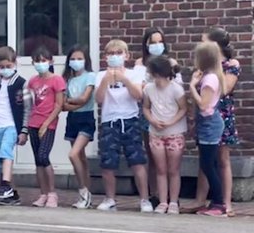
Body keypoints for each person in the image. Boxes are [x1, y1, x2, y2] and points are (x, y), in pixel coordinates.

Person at [94, 39, 152, 213]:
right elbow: (99, 99)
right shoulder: (100, 75)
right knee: (108, 162)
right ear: (105, 57)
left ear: (126, 56)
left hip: (130, 120)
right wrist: (106, 81)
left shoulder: (134, 74)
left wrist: (124, 80)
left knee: (137, 161)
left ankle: (144, 199)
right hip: (109, 121)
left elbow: (138, 96)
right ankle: (110, 198)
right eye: (111, 53)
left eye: (119, 53)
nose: (115, 56)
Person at [192, 28, 240, 214]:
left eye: (204, 41)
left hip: (221, 113)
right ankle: (200, 200)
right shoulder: (205, 66)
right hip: (205, 116)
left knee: (222, 158)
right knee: (206, 158)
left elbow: (225, 88)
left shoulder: (229, 65)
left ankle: (225, 202)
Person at [143, 54, 187, 214]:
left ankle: (173, 201)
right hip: (156, 133)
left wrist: (171, 122)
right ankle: (162, 201)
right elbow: (146, 107)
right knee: (160, 169)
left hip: (174, 132)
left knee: (173, 169)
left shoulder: (176, 89)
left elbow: (183, 108)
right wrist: (152, 120)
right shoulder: (148, 89)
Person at [0, 46, 29, 205]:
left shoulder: (21, 83)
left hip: (11, 125)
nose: (5, 69)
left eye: (8, 66)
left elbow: (27, 109)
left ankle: (4, 185)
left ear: (15, 63)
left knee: (5, 152)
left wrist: (24, 130)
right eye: (2, 67)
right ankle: (12, 193)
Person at [190, 41, 227, 217]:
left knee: (207, 165)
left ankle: (219, 203)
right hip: (208, 124)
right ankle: (216, 202)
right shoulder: (210, 76)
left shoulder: (210, 79)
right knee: (210, 164)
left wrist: (192, 86)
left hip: (210, 124)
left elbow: (204, 105)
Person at [26, 47, 66, 208]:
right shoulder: (33, 81)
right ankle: (42, 193)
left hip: (48, 123)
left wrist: (46, 123)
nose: (40, 64)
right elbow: (29, 102)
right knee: (38, 160)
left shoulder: (57, 80)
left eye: (43, 60)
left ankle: (52, 193)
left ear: (50, 61)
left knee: (44, 156)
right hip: (33, 123)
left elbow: (59, 105)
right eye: (37, 61)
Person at [62, 46, 97, 209]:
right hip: (72, 119)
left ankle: (83, 190)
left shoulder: (90, 76)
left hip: (86, 118)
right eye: (73, 59)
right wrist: (73, 103)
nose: (76, 62)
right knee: (81, 158)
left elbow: (85, 98)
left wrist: (71, 102)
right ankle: (86, 193)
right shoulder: (67, 80)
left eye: (79, 59)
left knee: (73, 154)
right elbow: (62, 104)